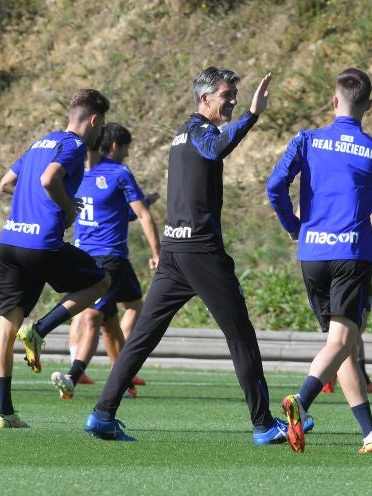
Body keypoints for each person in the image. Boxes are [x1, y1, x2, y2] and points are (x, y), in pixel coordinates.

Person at [84, 67, 290, 446]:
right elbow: (217, 146)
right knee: (240, 334)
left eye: (235, 94)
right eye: (227, 94)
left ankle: (102, 414)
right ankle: (263, 424)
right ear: (204, 98)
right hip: (200, 250)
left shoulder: (183, 133)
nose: (232, 100)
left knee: (143, 337)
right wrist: (252, 115)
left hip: (176, 249)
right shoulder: (199, 131)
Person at [267, 68, 372, 454]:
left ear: (334, 101)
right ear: (370, 105)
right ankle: (300, 400)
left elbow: (274, 185)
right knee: (344, 339)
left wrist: (292, 223)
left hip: (311, 252)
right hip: (350, 254)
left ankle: (369, 433)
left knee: (339, 343)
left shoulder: (306, 140)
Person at [0, 89, 112, 429]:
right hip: (41, 244)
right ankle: (41, 329)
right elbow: (49, 179)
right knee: (101, 281)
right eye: (101, 127)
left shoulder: (41, 142)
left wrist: (38, 199)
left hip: (9, 241)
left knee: (5, 330)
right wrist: (67, 207)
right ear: (94, 120)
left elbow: (6, 183)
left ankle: (5, 414)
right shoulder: (74, 147)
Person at [51, 123, 160, 400]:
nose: (125, 154)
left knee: (110, 311)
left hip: (110, 258)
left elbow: (133, 213)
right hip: (95, 257)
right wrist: (156, 252)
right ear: (114, 146)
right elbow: (142, 215)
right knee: (104, 317)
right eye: (125, 148)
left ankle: (78, 376)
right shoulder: (102, 173)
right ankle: (118, 377)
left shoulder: (94, 174)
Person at [66, 191, 160, 389]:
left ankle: (120, 372)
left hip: (86, 254)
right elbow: (133, 213)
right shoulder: (115, 175)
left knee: (122, 310)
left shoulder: (79, 178)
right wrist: (148, 200)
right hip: (107, 258)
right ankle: (75, 374)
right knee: (94, 316)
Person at [322, 199, 372, 395]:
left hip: (322, 257)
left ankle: (341, 375)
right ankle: (330, 374)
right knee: (352, 328)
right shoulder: (362, 180)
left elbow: (298, 214)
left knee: (344, 329)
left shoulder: (323, 183)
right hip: (353, 260)